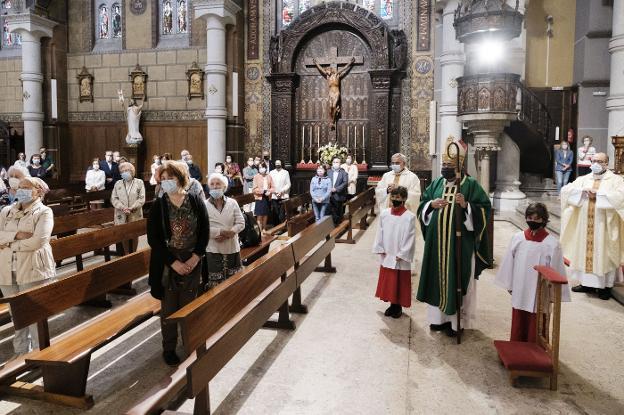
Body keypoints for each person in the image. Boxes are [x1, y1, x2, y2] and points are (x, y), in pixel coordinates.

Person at [417, 137, 491, 337]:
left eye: (449, 165)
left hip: (460, 246)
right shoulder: (437, 183)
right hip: (437, 245)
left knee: (457, 279)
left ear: (459, 165)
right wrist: (430, 206)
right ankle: (437, 320)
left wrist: (467, 206)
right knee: (437, 279)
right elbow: (422, 205)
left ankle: (456, 324)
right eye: (443, 164)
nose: (445, 168)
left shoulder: (470, 185)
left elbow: (485, 210)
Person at [147, 161, 209, 366]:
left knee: (191, 307)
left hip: (192, 260)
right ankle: (169, 348)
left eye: (170, 178)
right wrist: (173, 263)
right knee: (169, 309)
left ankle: (191, 343)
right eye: (162, 179)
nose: (165, 183)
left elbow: (204, 232)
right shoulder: (159, 205)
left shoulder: (195, 201)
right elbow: (153, 239)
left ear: (180, 178)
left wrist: (195, 257)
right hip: (168, 264)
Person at [495, 203, 570, 342]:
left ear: (543, 220)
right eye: (529, 218)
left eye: (537, 219)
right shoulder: (518, 238)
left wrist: (554, 294)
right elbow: (508, 263)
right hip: (520, 286)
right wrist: (510, 285)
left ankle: (536, 350)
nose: (532, 221)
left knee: (537, 318)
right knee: (519, 317)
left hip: (540, 291)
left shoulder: (552, 244)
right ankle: (517, 347)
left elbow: (557, 270)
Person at [0, 177, 53, 356]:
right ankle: (21, 352)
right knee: (16, 314)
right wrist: (17, 235)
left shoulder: (44, 212)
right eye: (19, 187)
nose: (20, 190)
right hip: (7, 269)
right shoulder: (7, 212)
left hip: (32, 268)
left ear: (38, 191)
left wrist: (8, 242)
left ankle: (40, 354)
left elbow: (38, 241)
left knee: (34, 315)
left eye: (26, 187)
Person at [561, 152, 624, 300]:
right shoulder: (584, 179)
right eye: (593, 160)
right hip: (585, 225)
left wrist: (599, 194)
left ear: (606, 163)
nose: (596, 163)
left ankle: (605, 287)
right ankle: (586, 283)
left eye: (600, 161)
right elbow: (566, 191)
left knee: (604, 253)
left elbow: (621, 196)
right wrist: (582, 192)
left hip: (604, 226)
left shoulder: (616, 180)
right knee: (585, 251)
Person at [373, 186, 417, 319]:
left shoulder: (409, 217)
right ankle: (392, 305)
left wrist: (403, 253)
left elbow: (410, 237)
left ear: (404, 198)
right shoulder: (385, 214)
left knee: (399, 281)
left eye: (398, 197)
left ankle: (398, 306)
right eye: (393, 196)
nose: (394, 199)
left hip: (399, 255)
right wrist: (380, 248)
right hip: (387, 252)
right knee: (389, 280)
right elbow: (379, 232)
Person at [204, 173, 245, 290]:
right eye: (212, 184)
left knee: (234, 283)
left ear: (224, 187)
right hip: (213, 248)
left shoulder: (232, 203)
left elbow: (241, 223)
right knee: (216, 286)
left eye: (218, 184)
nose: (215, 186)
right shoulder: (204, 205)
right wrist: (221, 232)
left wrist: (230, 233)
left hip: (232, 246)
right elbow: (203, 228)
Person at [252, 163, 274, 233]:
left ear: (265, 168)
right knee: (259, 215)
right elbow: (254, 189)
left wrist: (269, 191)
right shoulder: (256, 177)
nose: (261, 168)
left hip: (267, 197)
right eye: (260, 167)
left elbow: (273, 187)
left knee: (265, 214)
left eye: (262, 167)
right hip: (259, 197)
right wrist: (263, 191)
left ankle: (264, 228)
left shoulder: (269, 176)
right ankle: (260, 230)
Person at [327, 157, 349, 225]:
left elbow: (345, 183)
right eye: (334, 162)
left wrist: (336, 189)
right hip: (329, 195)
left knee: (338, 211)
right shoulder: (328, 172)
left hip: (339, 195)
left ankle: (337, 224)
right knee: (330, 210)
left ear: (340, 164)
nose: (335, 164)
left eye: (337, 162)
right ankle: (331, 224)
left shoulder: (344, 173)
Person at [269, 160, 291, 224]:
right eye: (276, 163)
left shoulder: (285, 172)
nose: (277, 164)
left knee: (282, 214)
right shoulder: (271, 172)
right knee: (275, 213)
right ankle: (276, 227)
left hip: (283, 196)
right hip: (274, 195)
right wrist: (275, 192)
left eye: (279, 163)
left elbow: (288, 184)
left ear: (281, 164)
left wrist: (281, 191)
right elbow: (270, 183)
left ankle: (282, 227)